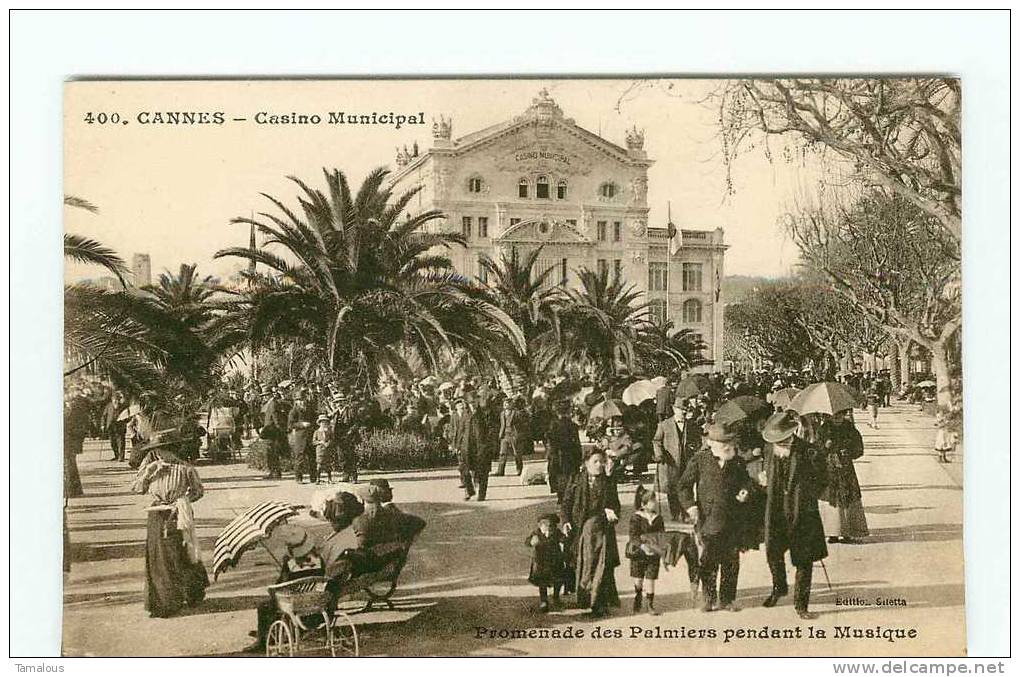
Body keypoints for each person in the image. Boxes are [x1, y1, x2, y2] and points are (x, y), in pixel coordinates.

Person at [758, 410, 829, 619]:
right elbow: (765, 472)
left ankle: (801, 604)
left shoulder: (809, 451)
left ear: (790, 436)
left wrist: (808, 495)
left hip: (802, 511)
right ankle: (779, 587)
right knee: (773, 553)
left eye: (781, 441)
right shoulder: (769, 449)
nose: (778, 446)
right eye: (775, 442)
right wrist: (764, 480)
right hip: (776, 510)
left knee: (804, 560)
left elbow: (823, 478)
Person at [130, 431, 209, 618]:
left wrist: (182, 501)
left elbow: (198, 491)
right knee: (158, 557)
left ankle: (188, 594)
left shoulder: (185, 469)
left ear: (171, 450)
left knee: (179, 554)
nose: (157, 455)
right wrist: (148, 474)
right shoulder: (151, 467)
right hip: (157, 514)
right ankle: (163, 601)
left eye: (160, 451)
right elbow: (137, 489)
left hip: (177, 515)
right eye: (155, 451)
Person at [677, 422, 753, 613]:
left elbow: (746, 482)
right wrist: (691, 506)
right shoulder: (700, 460)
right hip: (709, 519)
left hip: (733, 518)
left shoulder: (737, 461)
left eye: (729, 441)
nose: (728, 446)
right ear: (710, 442)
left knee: (731, 560)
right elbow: (683, 486)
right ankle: (709, 598)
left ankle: (727, 599)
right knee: (709, 560)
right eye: (722, 442)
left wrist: (745, 491)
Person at [244, 525, 326, 652]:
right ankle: (275, 632)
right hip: (315, 603)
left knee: (265, 605)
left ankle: (262, 641)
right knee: (280, 601)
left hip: (294, 604)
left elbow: (281, 586)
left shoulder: (290, 564)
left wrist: (283, 570)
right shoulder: (320, 561)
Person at [560, 449, 621, 618]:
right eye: (595, 461)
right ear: (586, 463)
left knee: (602, 566)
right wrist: (565, 521)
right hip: (580, 531)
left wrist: (612, 512)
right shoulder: (576, 480)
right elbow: (566, 504)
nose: (599, 465)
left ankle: (599, 603)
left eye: (602, 461)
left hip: (602, 531)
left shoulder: (608, 482)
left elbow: (615, 504)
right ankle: (585, 598)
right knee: (585, 565)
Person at [816, 409, 869, 543]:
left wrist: (849, 451)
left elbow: (859, 447)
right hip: (829, 469)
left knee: (848, 497)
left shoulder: (849, 427)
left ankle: (848, 532)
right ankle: (832, 533)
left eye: (840, 414)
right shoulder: (823, 429)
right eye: (834, 415)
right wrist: (825, 447)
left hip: (845, 468)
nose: (837, 417)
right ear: (829, 415)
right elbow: (816, 450)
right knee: (831, 499)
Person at [652, 397, 702, 520]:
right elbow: (656, 441)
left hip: (687, 460)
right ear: (674, 409)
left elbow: (698, 441)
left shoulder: (691, 425)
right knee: (672, 488)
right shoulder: (664, 425)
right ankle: (675, 513)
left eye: (686, 410)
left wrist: (694, 448)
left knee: (687, 486)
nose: (683, 412)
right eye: (680, 409)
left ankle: (686, 512)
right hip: (671, 461)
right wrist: (659, 454)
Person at [627, 486, 664, 615]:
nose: (654, 503)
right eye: (651, 501)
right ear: (643, 504)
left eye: (654, 501)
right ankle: (638, 594)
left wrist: (658, 547)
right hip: (639, 553)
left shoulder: (658, 518)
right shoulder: (636, 517)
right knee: (638, 578)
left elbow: (661, 535)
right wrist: (642, 546)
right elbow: (633, 536)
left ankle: (650, 604)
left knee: (651, 578)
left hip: (653, 553)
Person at [450, 397, 492, 501]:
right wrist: (457, 445)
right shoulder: (465, 414)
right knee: (464, 469)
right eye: (469, 403)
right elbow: (461, 430)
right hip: (467, 446)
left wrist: (489, 444)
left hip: (481, 447)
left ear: (477, 401)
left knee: (483, 470)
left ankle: (481, 494)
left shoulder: (485, 413)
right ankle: (469, 491)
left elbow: (492, 428)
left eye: (473, 402)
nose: (472, 404)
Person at [525, 513, 566, 612]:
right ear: (540, 525)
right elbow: (527, 541)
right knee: (542, 582)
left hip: (555, 561)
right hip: (541, 562)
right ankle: (544, 601)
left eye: (550, 526)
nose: (548, 528)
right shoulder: (536, 533)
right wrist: (531, 542)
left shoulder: (556, 532)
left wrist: (564, 538)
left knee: (558, 580)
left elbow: (563, 539)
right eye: (544, 525)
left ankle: (556, 597)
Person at [546, 400, 582, 502]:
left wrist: (550, 454)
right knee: (569, 474)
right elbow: (577, 443)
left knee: (557, 474)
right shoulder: (572, 425)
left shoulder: (553, 425)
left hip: (556, 454)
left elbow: (550, 441)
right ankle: (568, 494)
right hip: (569, 454)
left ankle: (560, 495)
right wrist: (579, 457)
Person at [496, 397, 530, 476]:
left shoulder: (516, 413)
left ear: (511, 404)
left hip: (513, 434)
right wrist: (500, 434)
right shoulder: (502, 413)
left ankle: (519, 469)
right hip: (505, 435)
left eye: (508, 403)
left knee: (517, 453)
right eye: (504, 404)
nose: (506, 405)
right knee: (502, 453)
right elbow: (502, 425)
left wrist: (519, 433)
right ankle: (500, 471)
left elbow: (523, 423)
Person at [287, 390, 316, 483]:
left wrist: (313, 426)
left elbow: (315, 420)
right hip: (300, 437)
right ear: (296, 401)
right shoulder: (293, 411)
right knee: (300, 458)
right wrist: (302, 424)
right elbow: (290, 425)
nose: (301, 402)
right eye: (299, 400)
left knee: (312, 457)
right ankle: (298, 478)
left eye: (303, 399)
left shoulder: (310, 409)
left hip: (310, 436)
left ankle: (314, 477)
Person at [260, 387, 285, 479]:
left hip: (272, 430)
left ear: (269, 395)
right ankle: (274, 471)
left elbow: (275, 417)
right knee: (272, 451)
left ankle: (274, 472)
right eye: (264, 396)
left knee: (272, 451)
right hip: (271, 429)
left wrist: (278, 428)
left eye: (265, 395)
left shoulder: (273, 403)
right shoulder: (271, 403)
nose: (264, 397)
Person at [101, 391, 127, 461]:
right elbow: (104, 416)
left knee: (121, 442)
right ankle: (116, 455)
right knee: (113, 442)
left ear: (119, 400)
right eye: (114, 399)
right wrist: (103, 425)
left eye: (117, 399)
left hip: (120, 426)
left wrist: (125, 422)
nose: (115, 401)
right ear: (112, 400)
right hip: (110, 426)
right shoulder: (108, 406)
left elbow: (127, 416)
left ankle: (121, 457)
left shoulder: (123, 407)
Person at [313, 414, 333, 484]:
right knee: (319, 464)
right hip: (319, 450)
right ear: (319, 423)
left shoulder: (329, 431)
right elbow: (313, 442)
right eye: (322, 422)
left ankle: (329, 479)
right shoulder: (317, 432)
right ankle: (318, 478)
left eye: (325, 422)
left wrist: (328, 443)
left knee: (328, 465)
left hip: (327, 449)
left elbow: (331, 439)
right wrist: (320, 442)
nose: (323, 424)